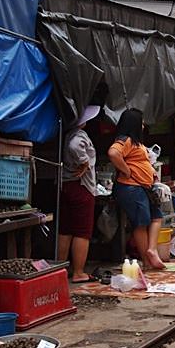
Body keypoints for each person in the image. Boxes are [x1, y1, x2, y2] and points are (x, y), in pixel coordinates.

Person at [108, 108, 165, 270]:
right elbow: (113, 153)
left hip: (142, 187)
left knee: (156, 217)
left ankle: (151, 250)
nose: (143, 125)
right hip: (130, 187)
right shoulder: (125, 140)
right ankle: (147, 260)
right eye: (141, 122)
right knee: (141, 223)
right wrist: (127, 171)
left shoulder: (134, 142)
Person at [58, 105, 100, 283]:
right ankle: (79, 272)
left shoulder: (68, 134)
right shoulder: (78, 136)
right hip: (81, 186)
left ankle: (60, 268)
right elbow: (76, 147)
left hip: (66, 184)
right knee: (82, 231)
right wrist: (84, 162)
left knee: (66, 229)